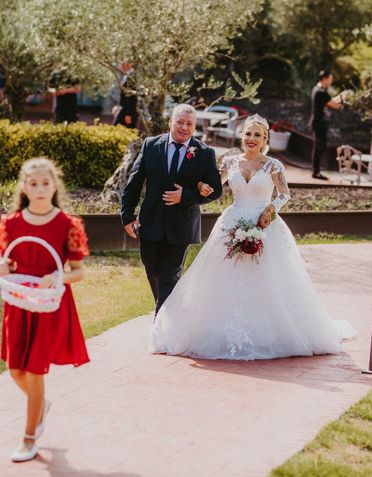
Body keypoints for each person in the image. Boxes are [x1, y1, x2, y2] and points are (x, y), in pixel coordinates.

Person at [150, 114, 356, 360]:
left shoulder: (273, 166)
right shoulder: (229, 162)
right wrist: (202, 188)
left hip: (264, 225)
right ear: (241, 136)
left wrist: (272, 208)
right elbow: (215, 186)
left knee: (270, 281)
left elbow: (284, 194)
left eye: (257, 135)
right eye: (248, 133)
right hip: (232, 223)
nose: (251, 138)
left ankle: (270, 332)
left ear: (264, 139)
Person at [0, 158, 90, 462]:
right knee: (15, 370)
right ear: (24, 187)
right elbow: (8, 264)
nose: (39, 188)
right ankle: (41, 403)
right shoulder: (11, 224)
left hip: (49, 308)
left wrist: (58, 276)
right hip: (19, 304)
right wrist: (1, 267)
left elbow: (78, 271)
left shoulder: (67, 224)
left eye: (45, 183)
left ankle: (29, 437)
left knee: (35, 371)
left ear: (54, 186)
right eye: (33, 183)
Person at [121, 104, 223, 315]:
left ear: (194, 126)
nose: (184, 127)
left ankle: (162, 323)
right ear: (171, 122)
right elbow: (134, 183)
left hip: (181, 226)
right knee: (152, 271)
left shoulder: (205, 153)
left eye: (189, 124)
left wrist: (186, 196)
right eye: (180, 122)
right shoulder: (151, 145)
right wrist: (128, 216)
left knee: (169, 276)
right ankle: (172, 309)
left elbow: (216, 191)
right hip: (150, 222)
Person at [310, 70, 343, 180]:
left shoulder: (317, 89)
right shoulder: (321, 92)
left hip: (318, 122)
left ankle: (316, 170)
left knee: (319, 146)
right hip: (319, 123)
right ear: (325, 79)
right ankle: (316, 172)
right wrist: (344, 98)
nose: (331, 81)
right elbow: (335, 105)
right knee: (320, 147)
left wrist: (341, 96)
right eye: (330, 79)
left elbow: (331, 100)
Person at [113, 63, 139, 129]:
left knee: (117, 128)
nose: (121, 65)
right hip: (125, 109)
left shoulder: (131, 76)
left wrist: (128, 114)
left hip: (128, 111)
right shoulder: (128, 75)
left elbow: (131, 96)